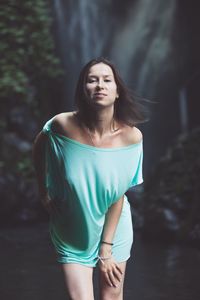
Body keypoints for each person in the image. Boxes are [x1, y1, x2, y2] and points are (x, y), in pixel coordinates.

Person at [33, 57, 147, 300]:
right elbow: (39, 145)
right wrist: (43, 190)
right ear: (83, 90)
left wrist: (106, 249)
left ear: (117, 91)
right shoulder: (61, 125)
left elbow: (118, 195)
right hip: (72, 227)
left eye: (107, 80)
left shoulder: (131, 138)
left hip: (113, 227)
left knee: (111, 298)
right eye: (92, 80)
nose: (100, 85)